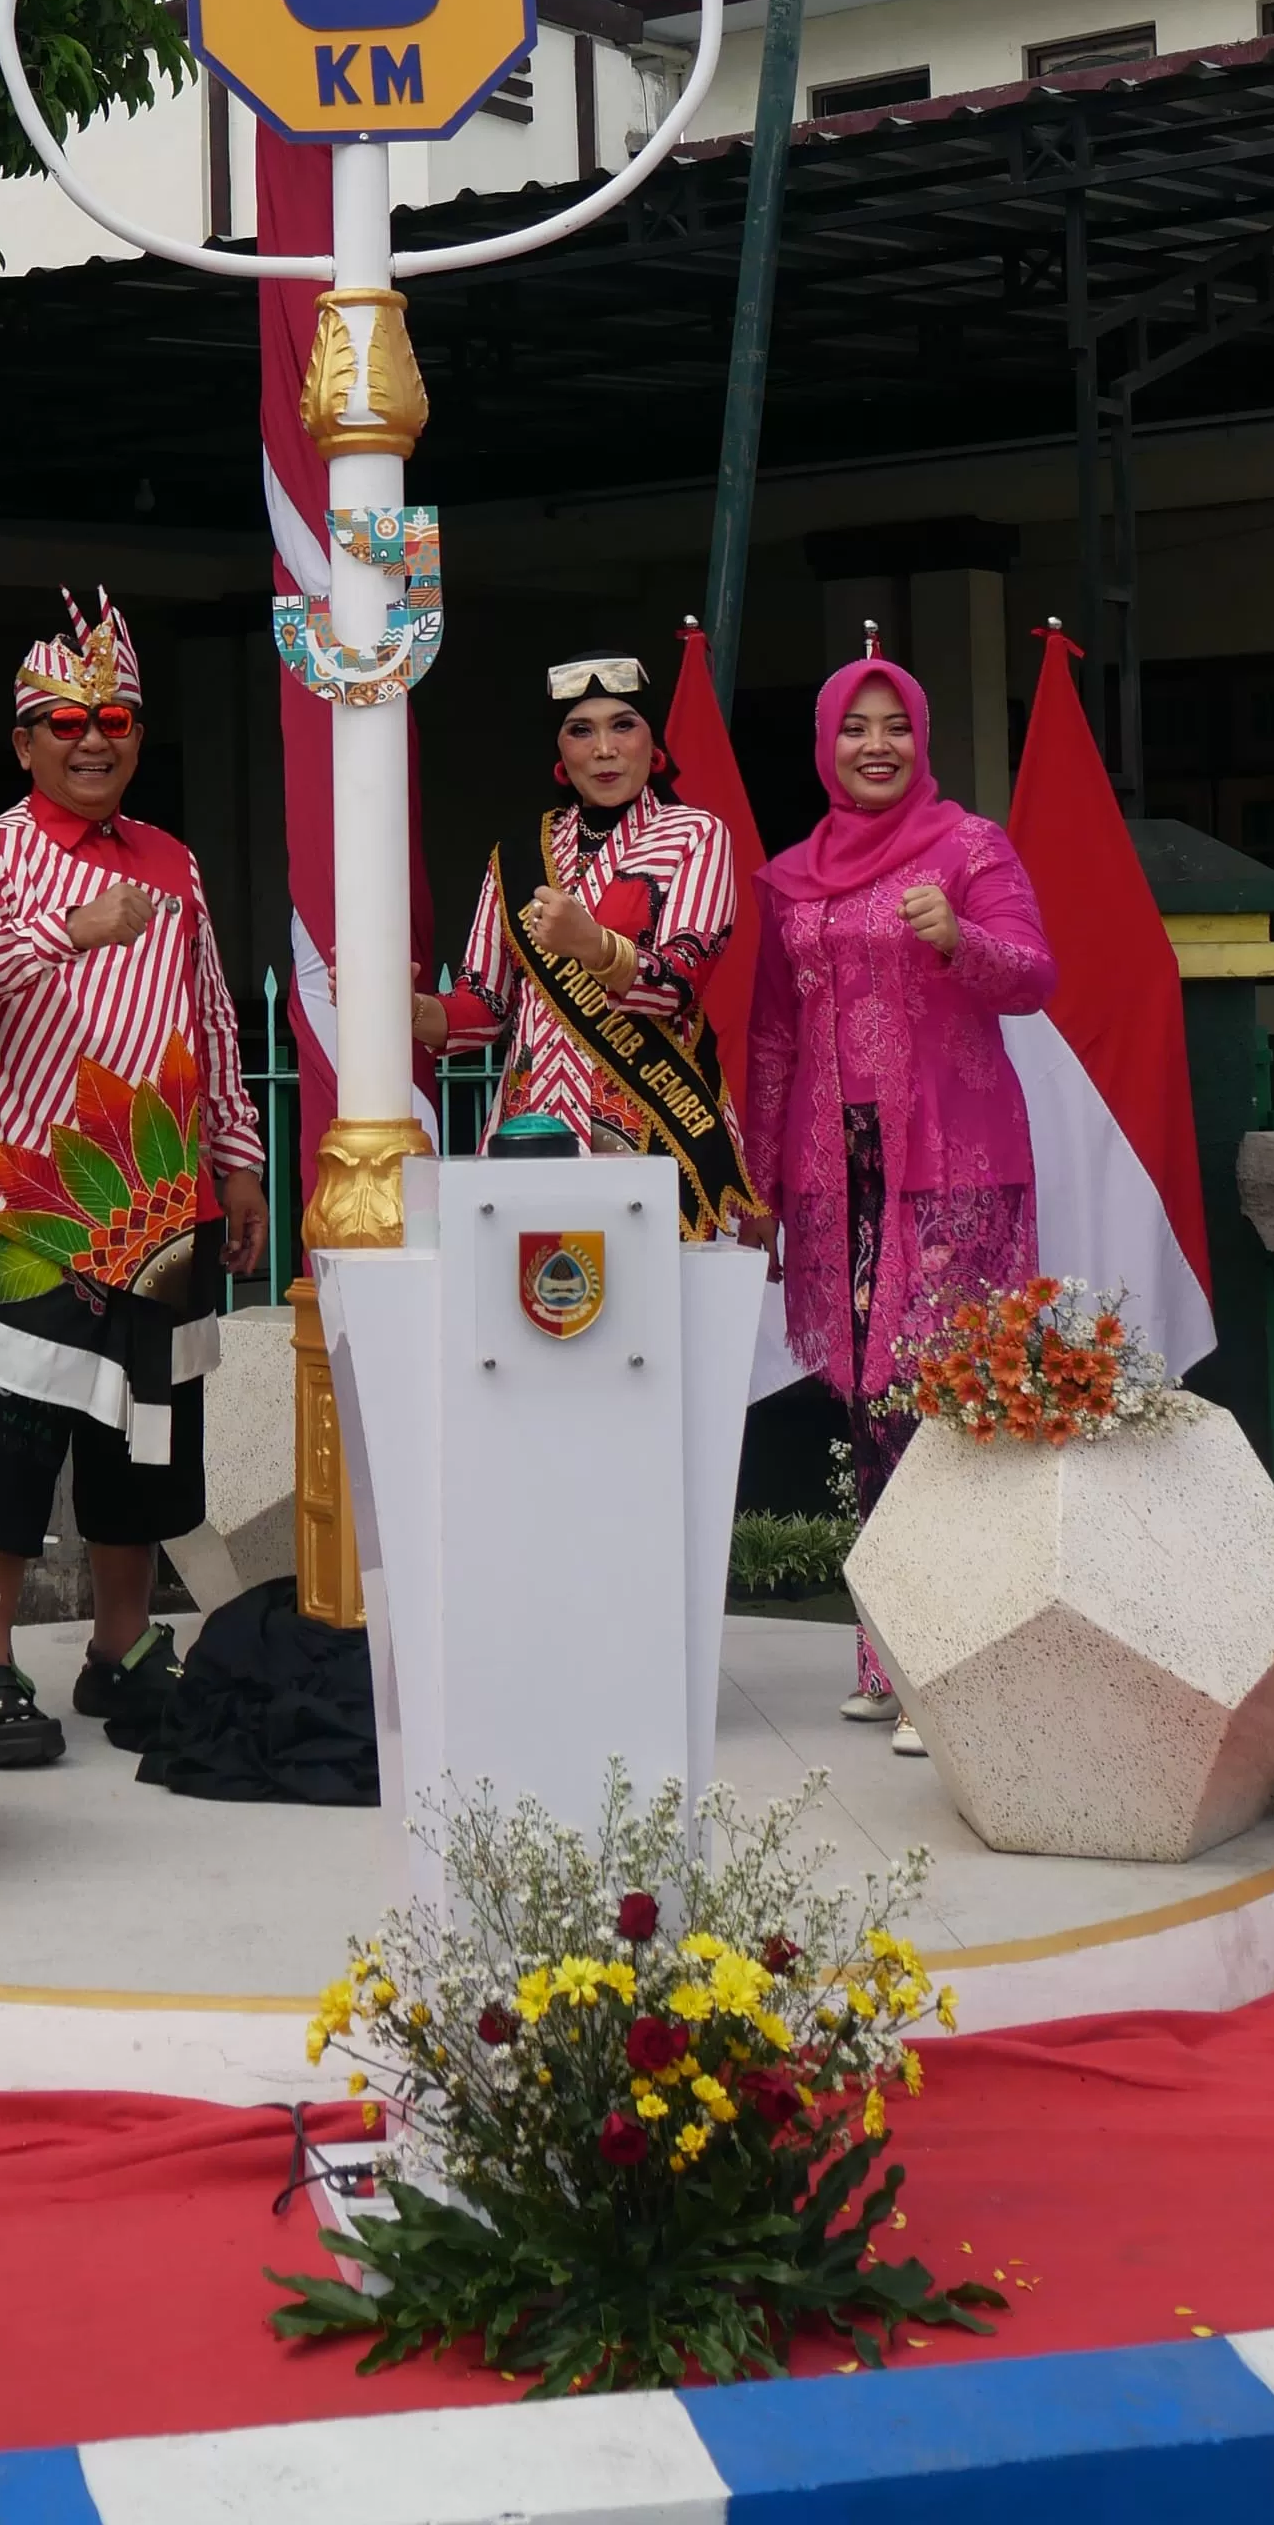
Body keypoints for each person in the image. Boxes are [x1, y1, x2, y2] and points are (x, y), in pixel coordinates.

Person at [0, 590, 269, 1772]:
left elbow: (213, 1022)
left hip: (166, 1208)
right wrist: (75, 931)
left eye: (114, 717)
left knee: (150, 1447)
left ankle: (122, 1648)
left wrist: (242, 1164)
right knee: (7, 1447)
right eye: (65, 722)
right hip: (31, 1202)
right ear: (24, 742)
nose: (93, 739)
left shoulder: (174, 861)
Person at [740, 647, 1057, 1743]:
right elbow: (773, 1037)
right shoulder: (788, 877)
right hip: (840, 1171)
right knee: (872, 1409)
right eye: (853, 729)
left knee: (944, 1405)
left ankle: (947, 1664)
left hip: (953, 1167)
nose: (876, 746)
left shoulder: (971, 848)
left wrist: (957, 939)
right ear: (825, 747)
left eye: (897, 728)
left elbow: (1032, 973)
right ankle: (885, 1653)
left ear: (922, 740)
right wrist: (766, 1183)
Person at [415, 650, 756, 1237]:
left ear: (655, 746)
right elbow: (485, 1010)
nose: (604, 749)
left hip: (658, 1129)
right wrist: (410, 1011)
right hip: (531, 1133)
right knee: (532, 1313)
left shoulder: (694, 833)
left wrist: (594, 947)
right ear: (559, 752)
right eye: (581, 730)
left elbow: (677, 984)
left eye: (623, 725)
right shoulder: (519, 855)